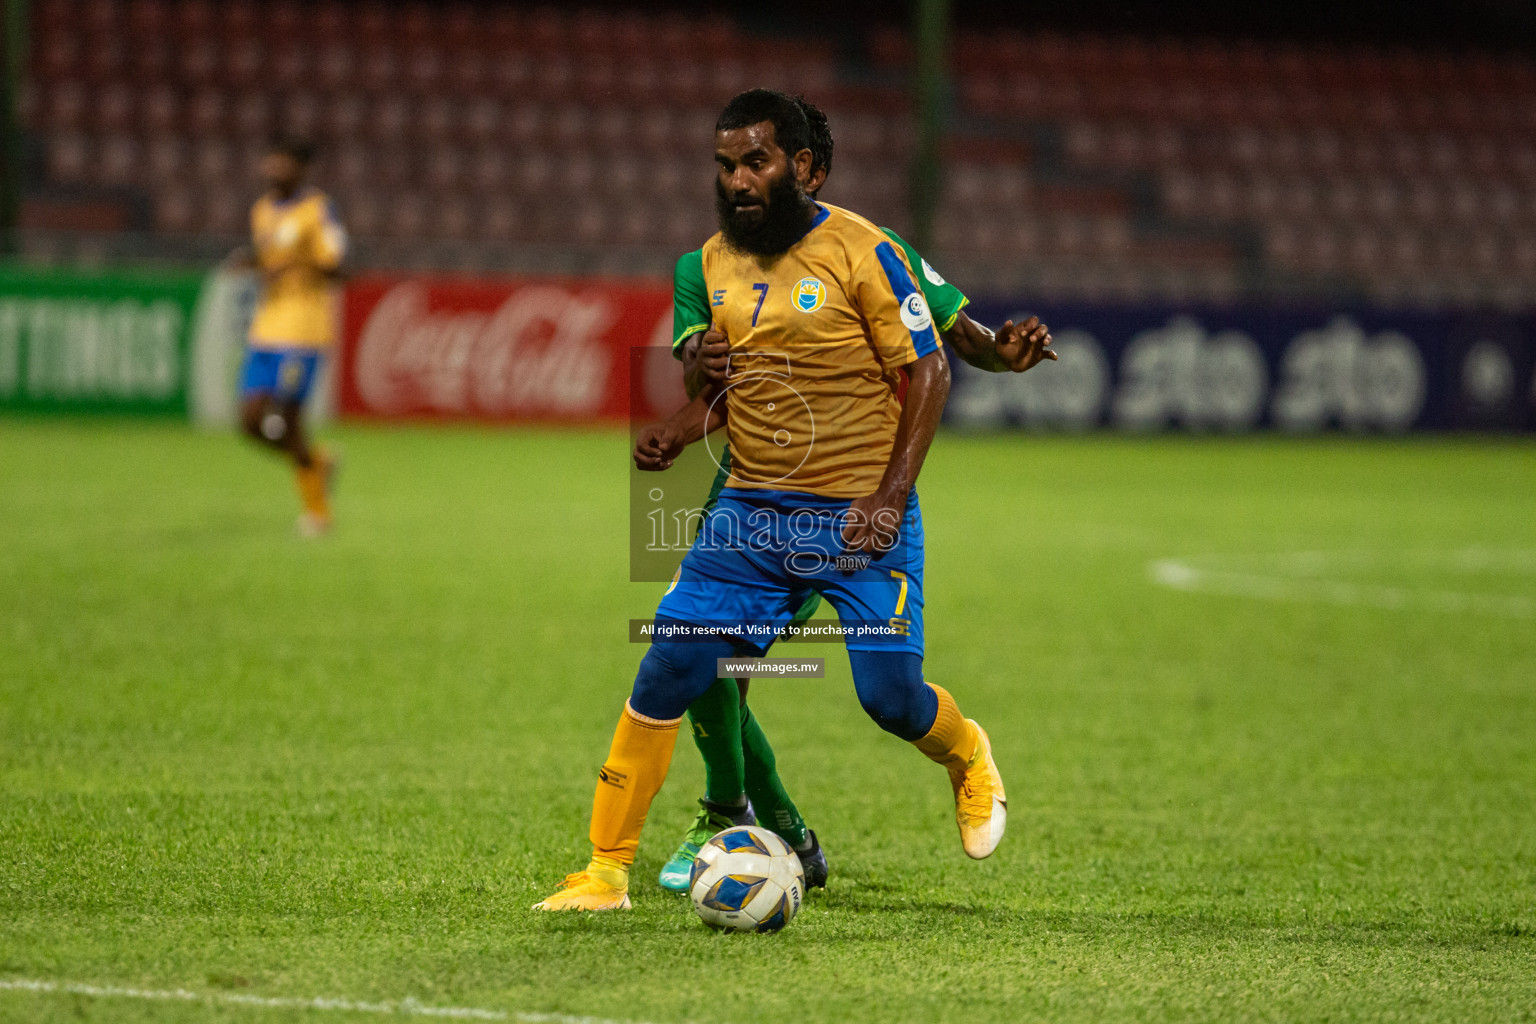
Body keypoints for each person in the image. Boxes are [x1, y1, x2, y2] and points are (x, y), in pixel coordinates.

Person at [536, 89, 1028, 912]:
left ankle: (966, 752)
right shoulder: (709, 264)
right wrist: (683, 427)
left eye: (755, 162)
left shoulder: (865, 251)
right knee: (675, 662)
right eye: (725, 165)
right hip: (751, 515)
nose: (737, 181)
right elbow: (737, 386)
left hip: (860, 517)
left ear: (800, 166)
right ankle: (605, 872)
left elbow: (933, 368)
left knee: (890, 700)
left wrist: (888, 496)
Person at [231, 138, 346, 537]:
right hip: (266, 329)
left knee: (287, 420)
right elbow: (268, 259)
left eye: (284, 164)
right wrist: (252, 263)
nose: (274, 170)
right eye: (271, 162)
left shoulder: (317, 211)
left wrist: (297, 262)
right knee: (248, 423)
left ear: (301, 168)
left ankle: (317, 513)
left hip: (303, 331)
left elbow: (337, 268)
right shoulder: (261, 212)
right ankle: (318, 462)